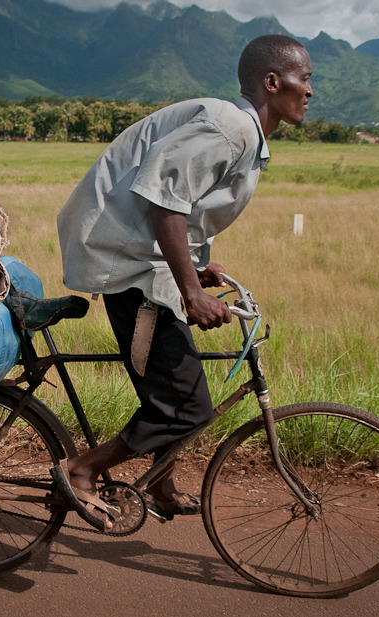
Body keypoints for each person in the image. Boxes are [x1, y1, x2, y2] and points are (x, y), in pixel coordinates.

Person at [52, 34, 314, 531]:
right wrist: (190, 292)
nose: (310, 91)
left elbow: (179, 206)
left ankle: (159, 483)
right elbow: (162, 199)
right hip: (126, 267)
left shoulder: (241, 131)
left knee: (177, 392)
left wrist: (192, 269)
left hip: (138, 260)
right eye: (305, 80)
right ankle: (80, 470)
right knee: (187, 406)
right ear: (273, 82)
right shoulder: (231, 127)